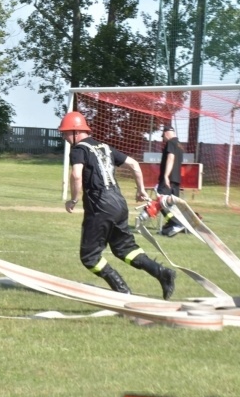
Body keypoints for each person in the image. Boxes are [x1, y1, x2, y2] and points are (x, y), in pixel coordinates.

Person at [59, 111, 176, 299]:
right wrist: (140, 190)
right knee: (125, 249)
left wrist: (73, 199)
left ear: (75, 132)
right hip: (119, 203)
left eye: (65, 133)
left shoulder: (79, 149)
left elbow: (76, 174)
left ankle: (122, 291)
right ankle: (162, 273)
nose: (64, 137)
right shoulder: (105, 147)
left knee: (90, 257)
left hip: (100, 206)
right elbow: (134, 165)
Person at [157, 125, 184, 237]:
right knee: (172, 205)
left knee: (160, 200)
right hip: (176, 179)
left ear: (167, 133)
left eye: (163, 136)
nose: (163, 139)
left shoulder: (171, 143)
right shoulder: (179, 145)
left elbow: (171, 158)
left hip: (169, 179)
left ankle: (177, 223)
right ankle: (171, 226)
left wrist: (166, 176)